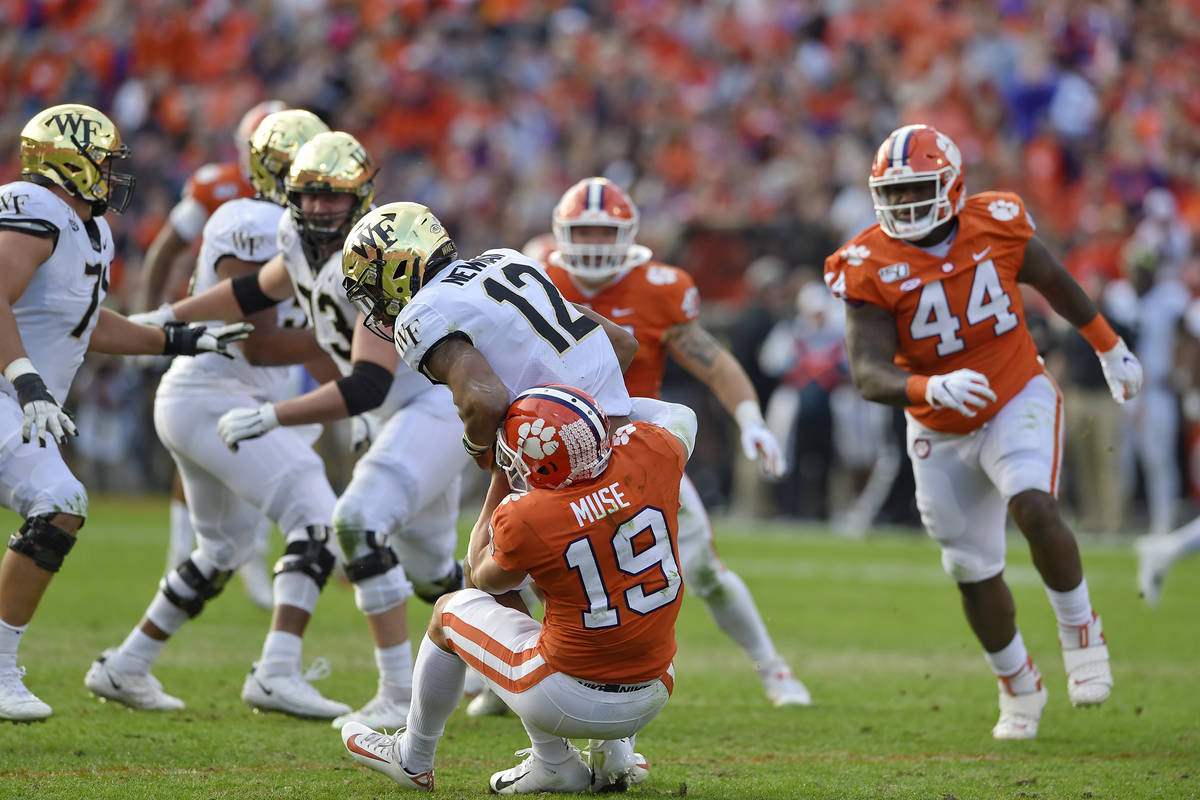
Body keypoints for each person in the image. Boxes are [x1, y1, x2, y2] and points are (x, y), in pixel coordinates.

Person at [134, 131, 467, 729]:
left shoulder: (374, 253)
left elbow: (368, 381)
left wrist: (272, 414)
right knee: (438, 571)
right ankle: (527, 657)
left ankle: (397, 694)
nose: (316, 208)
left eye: (331, 196)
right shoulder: (292, 238)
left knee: (358, 522)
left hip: (432, 405)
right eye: (307, 194)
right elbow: (250, 290)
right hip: (399, 411)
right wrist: (163, 320)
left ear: (360, 194)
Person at [823, 123, 1143, 740]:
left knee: (1032, 503)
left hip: (1014, 390)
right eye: (890, 194)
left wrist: (1109, 347)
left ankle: (1082, 636)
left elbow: (1052, 281)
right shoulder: (866, 263)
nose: (902, 205)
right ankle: (1018, 683)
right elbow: (865, 371)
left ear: (951, 185)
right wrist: (927, 387)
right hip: (937, 426)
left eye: (916, 190)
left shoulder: (996, 220)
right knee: (969, 566)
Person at [84, 109, 345, 716]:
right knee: (315, 511)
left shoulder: (295, 230)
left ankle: (127, 665)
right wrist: (340, 342)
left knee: (222, 549)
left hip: (228, 399)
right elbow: (254, 337)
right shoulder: (252, 220)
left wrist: (357, 390)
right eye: (308, 181)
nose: (320, 198)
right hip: (213, 396)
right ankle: (278, 670)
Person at [0, 103, 252, 721]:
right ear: (66, 163)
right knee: (60, 499)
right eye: (103, 162)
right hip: (9, 394)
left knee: (60, 506)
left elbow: (84, 325)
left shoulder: (90, 228)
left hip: (16, 398)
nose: (112, 174)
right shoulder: (35, 209)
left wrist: (174, 338)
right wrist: (26, 379)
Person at [341, 384, 697, 794]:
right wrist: (601, 412)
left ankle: (413, 757)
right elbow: (680, 413)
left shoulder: (530, 515)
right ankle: (607, 754)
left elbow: (481, 575)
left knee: (449, 612)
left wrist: (499, 478)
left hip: (565, 697)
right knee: (592, 608)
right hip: (655, 687)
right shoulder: (653, 454)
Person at [542, 177, 810, 707]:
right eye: (583, 232)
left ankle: (773, 669)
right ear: (561, 233)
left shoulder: (659, 286)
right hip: (559, 458)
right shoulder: (537, 280)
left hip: (639, 456)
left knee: (705, 567)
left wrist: (751, 418)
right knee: (524, 566)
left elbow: (710, 358)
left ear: (628, 235)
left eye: (604, 233)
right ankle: (500, 677)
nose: (593, 244)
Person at [140, 98, 285, 610]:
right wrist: (152, 315)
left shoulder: (315, 194)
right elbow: (166, 247)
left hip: (279, 336)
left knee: (277, 440)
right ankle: (185, 553)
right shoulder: (219, 188)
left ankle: (249, 560)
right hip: (217, 328)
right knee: (200, 447)